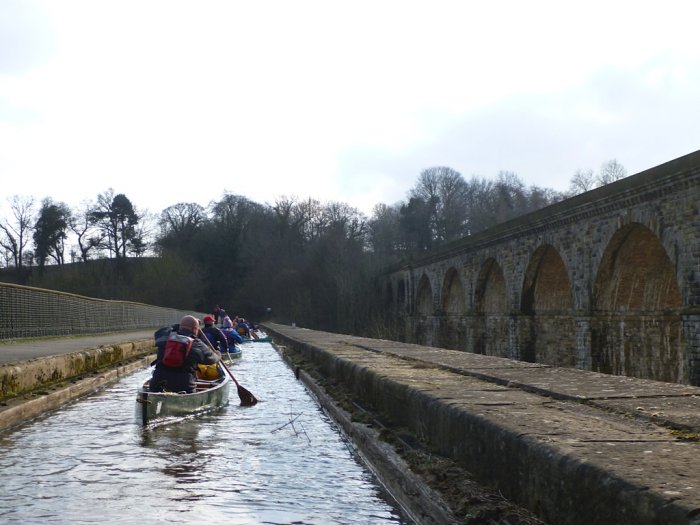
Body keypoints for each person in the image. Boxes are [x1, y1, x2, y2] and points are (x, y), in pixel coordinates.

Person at [150, 315, 221, 393]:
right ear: (194, 329)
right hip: (184, 387)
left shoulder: (164, 337)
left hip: (157, 383)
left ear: (180, 326)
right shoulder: (197, 344)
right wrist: (218, 355)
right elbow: (212, 360)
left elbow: (161, 331)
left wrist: (183, 325)